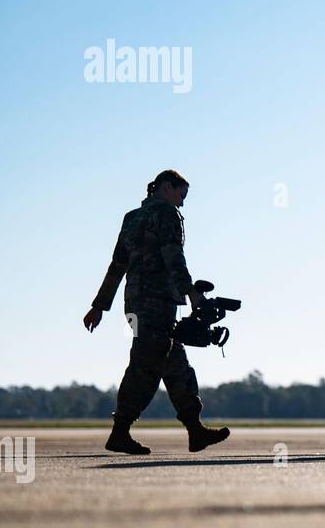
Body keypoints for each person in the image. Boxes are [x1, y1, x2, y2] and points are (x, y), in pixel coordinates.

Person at [83, 170, 231, 455]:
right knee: (145, 365)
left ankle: (195, 430)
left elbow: (117, 265)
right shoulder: (166, 214)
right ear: (166, 187)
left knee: (175, 363)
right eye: (181, 195)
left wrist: (99, 306)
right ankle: (120, 432)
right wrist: (191, 294)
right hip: (157, 302)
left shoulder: (132, 217)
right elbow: (173, 255)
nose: (182, 204)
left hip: (136, 303)